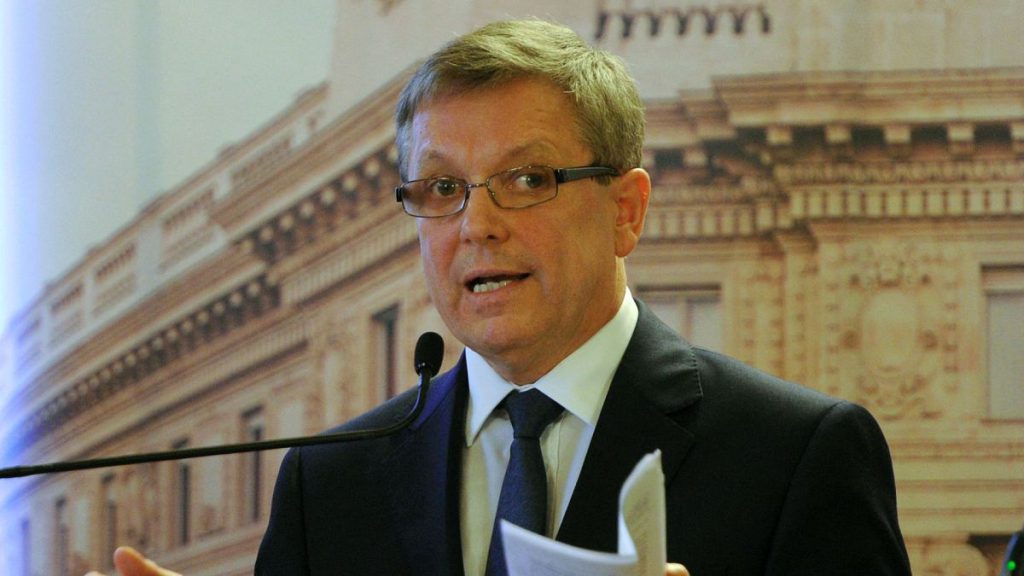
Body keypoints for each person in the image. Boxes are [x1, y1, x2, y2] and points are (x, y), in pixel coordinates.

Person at [91, 19, 910, 576]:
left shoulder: (798, 454)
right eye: (442, 186)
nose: (476, 224)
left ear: (625, 210)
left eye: (528, 179)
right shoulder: (329, 483)